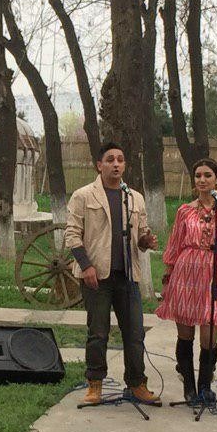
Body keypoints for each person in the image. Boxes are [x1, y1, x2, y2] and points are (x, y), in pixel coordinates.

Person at [64, 142, 160, 405]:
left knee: (135, 334)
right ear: (99, 165)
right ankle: (95, 385)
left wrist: (146, 241)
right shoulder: (83, 195)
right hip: (97, 277)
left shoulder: (134, 197)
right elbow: (72, 234)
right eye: (110, 160)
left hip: (127, 276)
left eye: (120, 159)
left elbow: (141, 235)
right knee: (98, 333)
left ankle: (137, 384)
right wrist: (86, 266)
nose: (116, 164)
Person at [156, 158, 217, 402]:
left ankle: (205, 386)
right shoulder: (185, 210)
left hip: (211, 274)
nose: (202, 180)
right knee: (185, 333)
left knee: (210, 333)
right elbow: (174, 244)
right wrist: (168, 278)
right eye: (198, 175)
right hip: (185, 274)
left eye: (207, 175)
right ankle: (189, 388)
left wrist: (213, 260)